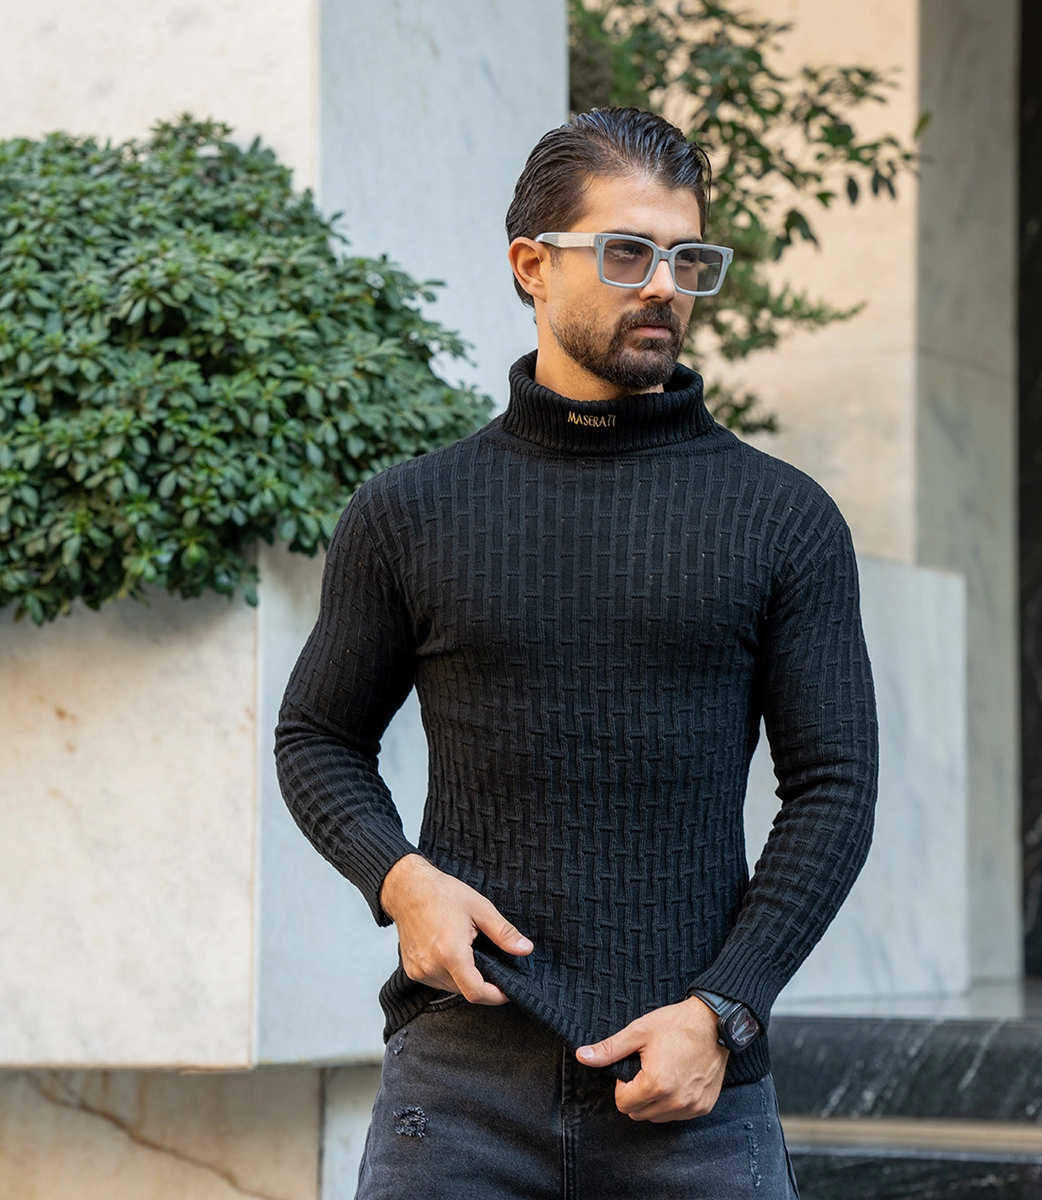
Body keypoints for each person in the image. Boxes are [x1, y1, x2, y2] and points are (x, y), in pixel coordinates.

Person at [276, 106, 878, 1200]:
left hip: (696, 1094)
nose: (664, 286)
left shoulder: (782, 518)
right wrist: (400, 881)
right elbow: (316, 735)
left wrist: (725, 1010)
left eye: (687, 259)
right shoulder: (410, 512)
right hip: (457, 1091)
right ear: (532, 266)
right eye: (628, 252)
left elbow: (835, 786)